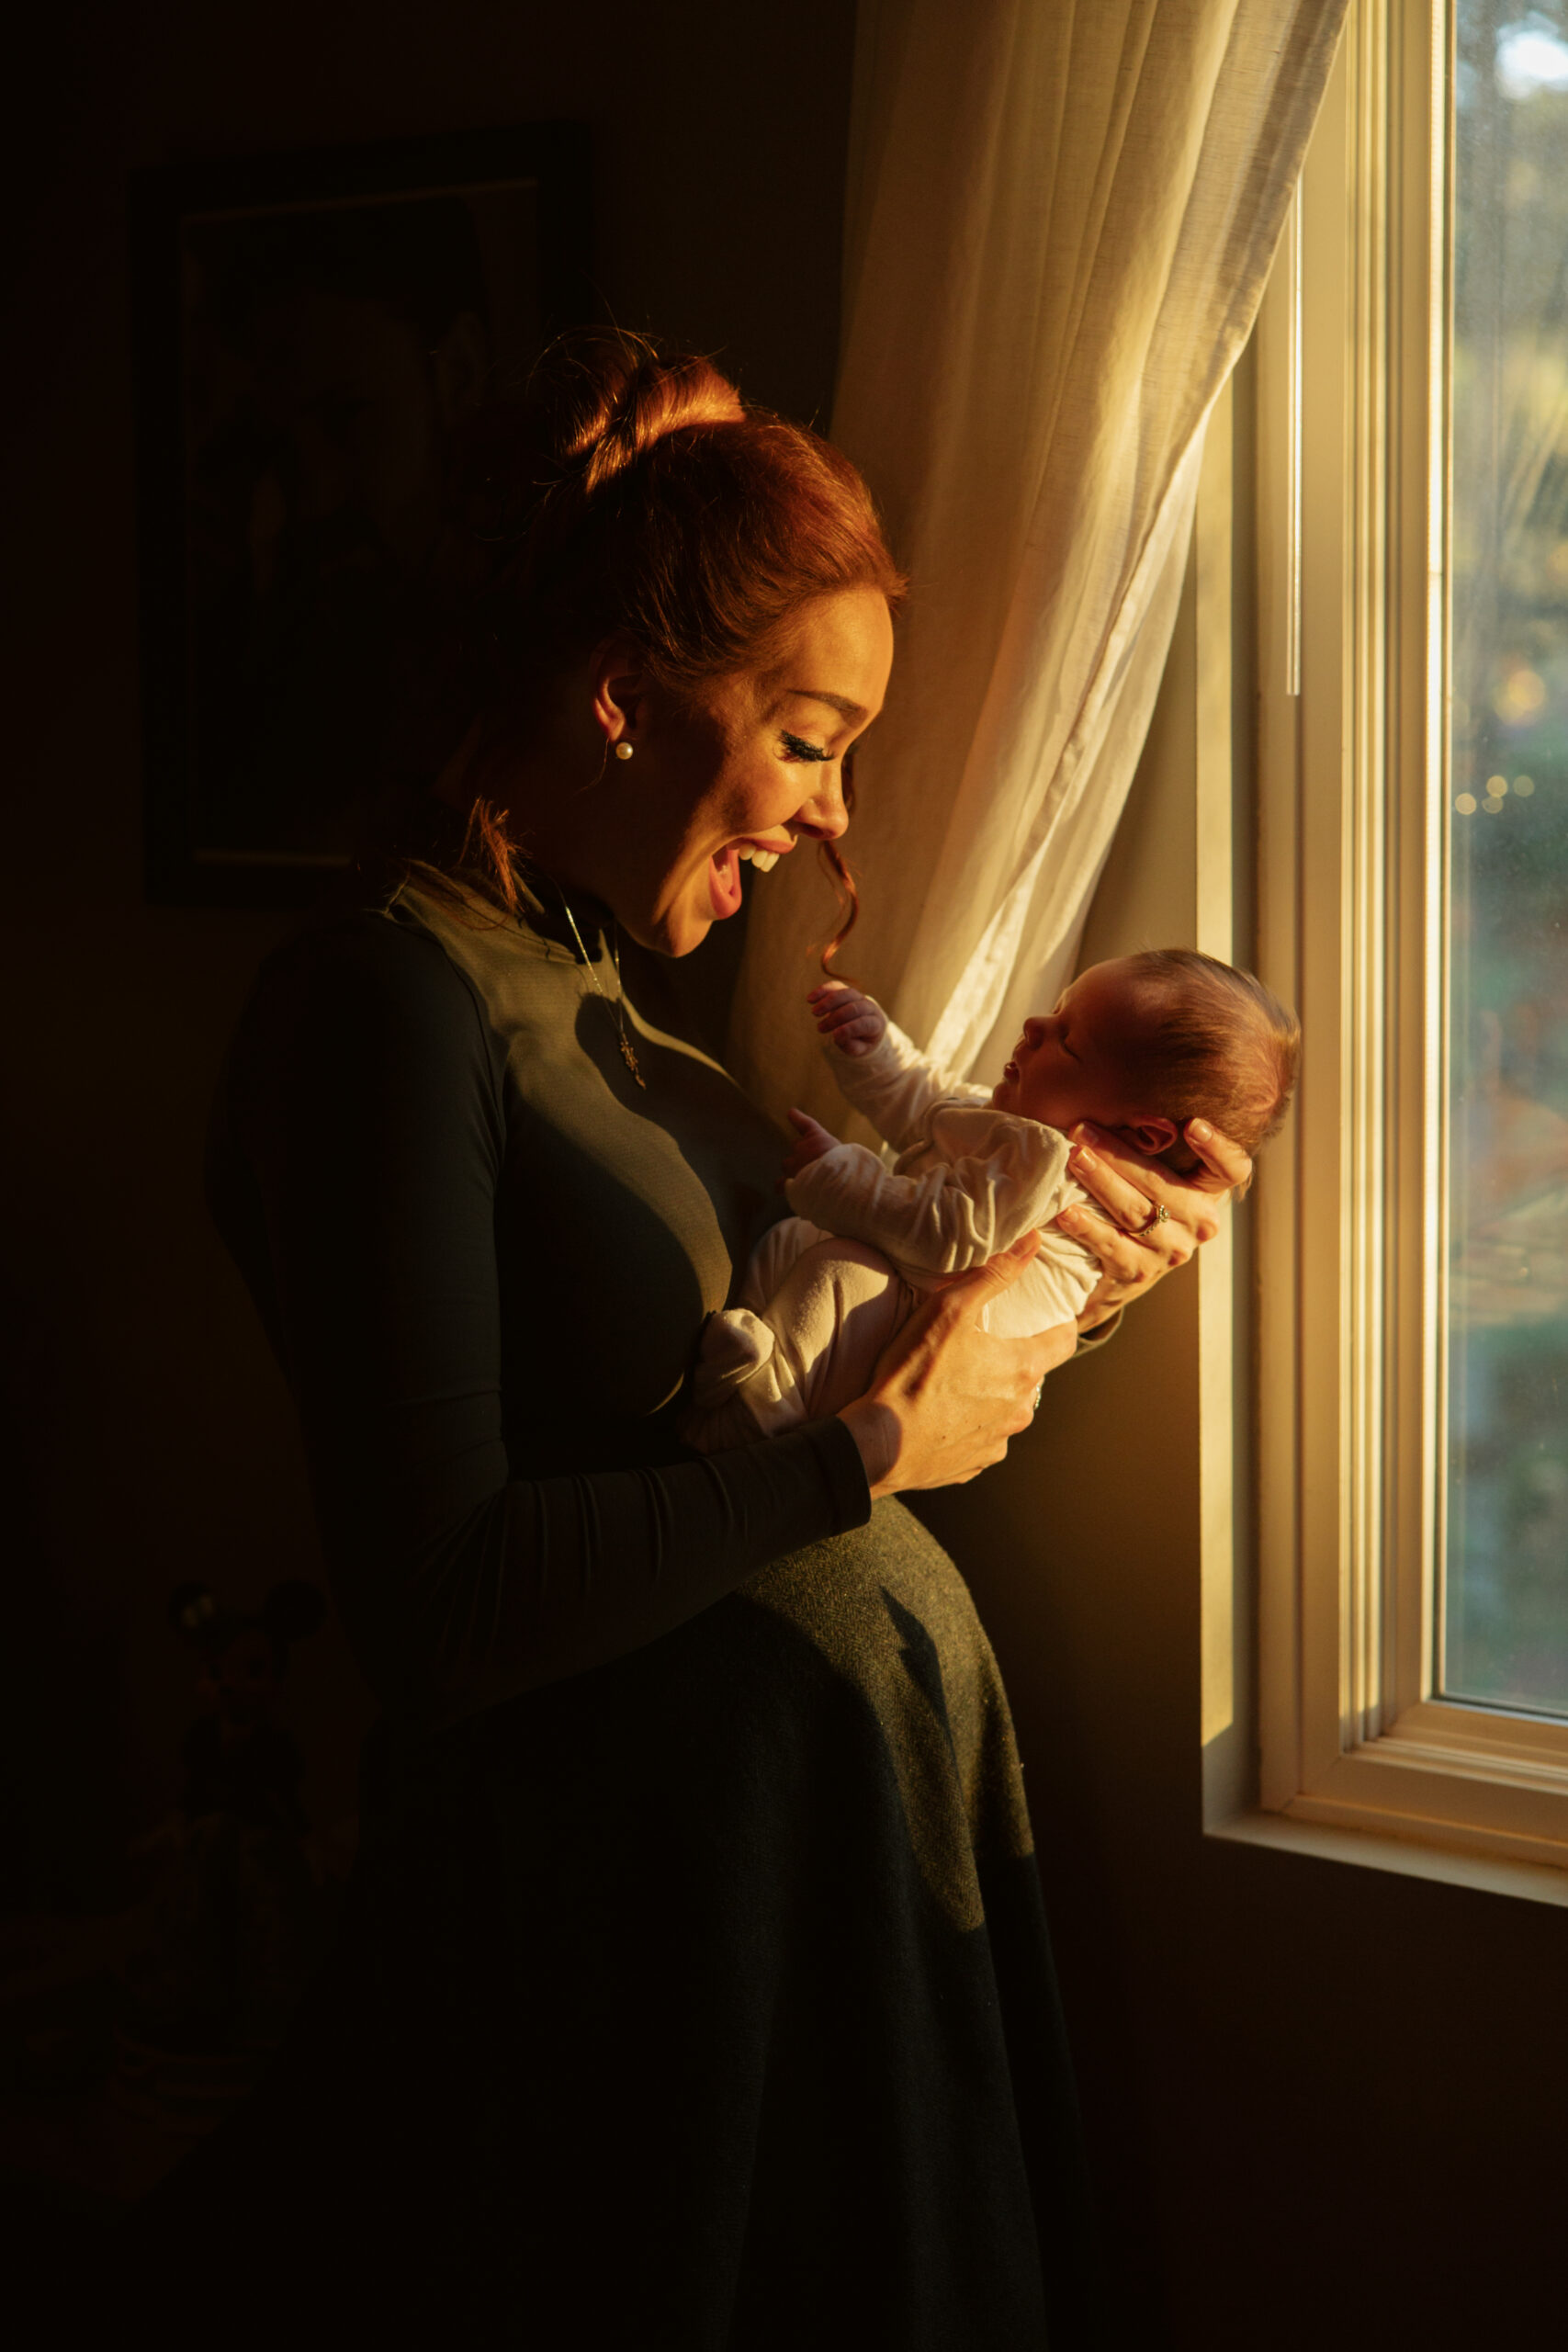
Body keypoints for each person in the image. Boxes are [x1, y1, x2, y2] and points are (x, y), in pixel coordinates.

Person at [131, 330, 1251, 2348]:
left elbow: (757, 1404)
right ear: (621, 689)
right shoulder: (384, 1005)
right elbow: (443, 1603)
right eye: (810, 735)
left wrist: (1067, 1263)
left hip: (784, 1882)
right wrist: (871, 1454)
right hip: (612, 1946)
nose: (830, 819)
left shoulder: (588, 988)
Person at [683, 952, 1298, 1448]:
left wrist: (837, 1175)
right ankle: (747, 1361)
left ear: (1144, 1134)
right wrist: (875, 1050)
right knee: (796, 1245)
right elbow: (933, 1108)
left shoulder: (1049, 1166)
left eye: (1068, 1041)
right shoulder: (1029, 1125)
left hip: (926, 1334)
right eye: (1055, 1012)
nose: (1035, 1028)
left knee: (837, 1270)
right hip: (911, 1298)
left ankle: (745, 1422)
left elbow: (940, 1237)